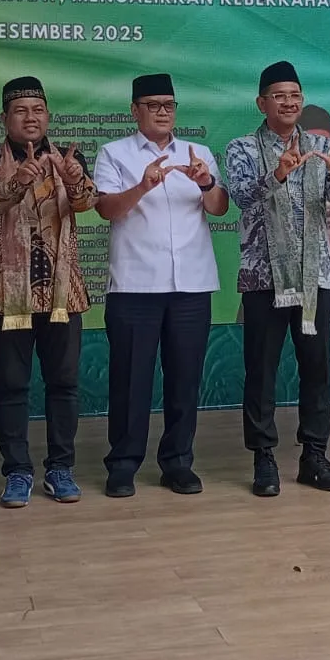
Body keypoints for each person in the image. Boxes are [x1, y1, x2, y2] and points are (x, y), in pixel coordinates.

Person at [92, 74, 228, 499]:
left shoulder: (197, 153)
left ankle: (178, 463)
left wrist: (206, 182)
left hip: (191, 283)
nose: (163, 112)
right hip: (135, 284)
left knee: (185, 379)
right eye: (153, 105)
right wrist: (143, 185)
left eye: (169, 104)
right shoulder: (114, 153)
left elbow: (219, 208)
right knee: (130, 380)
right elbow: (106, 209)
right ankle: (123, 465)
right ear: (135, 110)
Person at [0, 76, 97, 508]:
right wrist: (17, 181)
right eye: (21, 111)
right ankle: (17, 472)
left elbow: (86, 204)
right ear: (5, 118)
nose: (30, 118)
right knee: (12, 385)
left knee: (64, 383)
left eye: (38, 110)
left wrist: (74, 180)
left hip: (62, 295)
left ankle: (61, 469)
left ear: (48, 116)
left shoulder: (68, 159)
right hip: (8, 296)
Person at [225, 61, 330, 497]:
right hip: (263, 278)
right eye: (279, 96)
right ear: (261, 103)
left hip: (314, 276)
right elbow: (242, 197)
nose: (289, 102)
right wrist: (278, 173)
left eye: (295, 95)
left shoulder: (321, 145)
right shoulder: (242, 148)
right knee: (262, 370)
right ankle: (263, 457)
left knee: (317, 369)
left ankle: (314, 455)